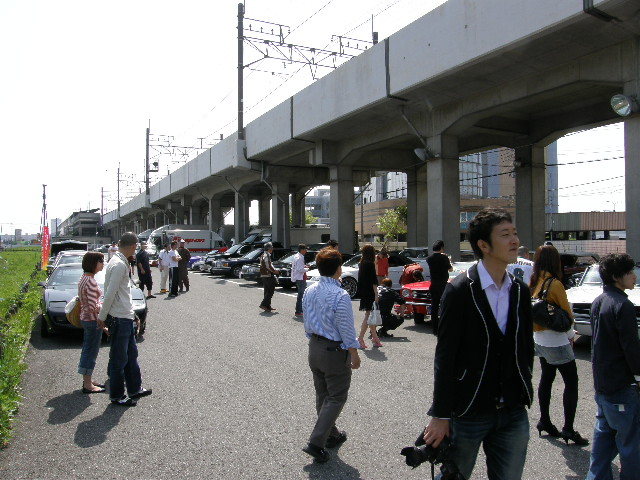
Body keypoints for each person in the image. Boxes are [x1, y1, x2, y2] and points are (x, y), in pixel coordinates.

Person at [423, 208, 534, 480]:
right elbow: (445, 355)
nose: (515, 240)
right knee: (454, 477)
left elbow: (525, 346)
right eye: (505, 235)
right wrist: (440, 414)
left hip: (512, 411)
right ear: (484, 245)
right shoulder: (460, 290)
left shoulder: (520, 290)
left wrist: (523, 385)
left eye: (514, 233)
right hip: (468, 410)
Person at [302, 247, 361, 463]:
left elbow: (307, 320)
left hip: (314, 347)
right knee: (336, 396)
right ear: (339, 269)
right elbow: (346, 329)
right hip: (334, 351)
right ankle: (316, 442)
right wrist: (354, 353)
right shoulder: (340, 294)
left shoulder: (310, 290)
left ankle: (331, 434)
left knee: (323, 394)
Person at [586, 253, 640, 479]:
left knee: (603, 441)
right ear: (617, 277)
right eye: (629, 272)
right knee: (630, 444)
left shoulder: (599, 300)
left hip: (603, 383)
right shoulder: (623, 305)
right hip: (621, 385)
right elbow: (631, 348)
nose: (634, 276)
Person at [530, 244, 587, 445]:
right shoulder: (555, 284)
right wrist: (571, 335)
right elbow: (567, 315)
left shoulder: (535, 281)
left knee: (547, 378)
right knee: (571, 382)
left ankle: (544, 420)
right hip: (556, 340)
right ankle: (568, 429)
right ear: (556, 261)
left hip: (539, 338)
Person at [97, 232, 152, 406]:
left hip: (125, 316)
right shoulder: (119, 264)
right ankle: (117, 395)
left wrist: (133, 314)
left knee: (131, 355)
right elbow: (110, 293)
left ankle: (135, 388)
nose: (136, 250)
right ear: (132, 246)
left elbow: (121, 294)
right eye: (136, 247)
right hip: (119, 318)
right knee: (119, 359)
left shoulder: (119, 261)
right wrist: (102, 316)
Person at [77, 251, 106, 393]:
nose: (103, 264)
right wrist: (105, 306)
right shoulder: (91, 282)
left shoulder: (84, 278)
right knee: (91, 351)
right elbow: (93, 307)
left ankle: (88, 379)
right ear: (93, 263)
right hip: (92, 320)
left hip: (86, 318)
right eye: (101, 261)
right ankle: (88, 384)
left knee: (88, 349)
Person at [356, 244, 381, 348]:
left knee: (370, 315)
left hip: (364, 291)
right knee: (369, 315)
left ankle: (375, 338)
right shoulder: (370, 264)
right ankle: (360, 338)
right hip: (370, 292)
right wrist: (376, 294)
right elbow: (374, 280)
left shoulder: (362, 263)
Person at [425, 240, 453, 334]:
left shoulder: (429, 258)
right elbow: (450, 269)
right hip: (443, 285)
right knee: (445, 305)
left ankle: (435, 329)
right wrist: (448, 260)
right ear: (441, 248)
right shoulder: (444, 257)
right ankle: (444, 326)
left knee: (434, 306)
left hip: (433, 284)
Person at [259, 242, 279, 312]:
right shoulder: (266, 255)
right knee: (270, 291)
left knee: (267, 291)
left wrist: (274, 269)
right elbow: (268, 266)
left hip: (264, 275)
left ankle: (267, 306)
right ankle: (263, 304)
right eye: (271, 247)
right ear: (268, 248)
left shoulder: (263, 255)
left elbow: (268, 264)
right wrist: (274, 271)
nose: (272, 248)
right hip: (268, 275)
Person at [291, 243, 308, 317]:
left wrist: (304, 266)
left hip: (298, 277)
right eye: (305, 249)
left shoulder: (296, 256)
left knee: (300, 294)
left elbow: (298, 267)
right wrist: (307, 269)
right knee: (301, 295)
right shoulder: (300, 257)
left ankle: (299, 309)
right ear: (302, 249)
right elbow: (300, 269)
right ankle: (298, 310)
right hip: (300, 278)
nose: (306, 250)